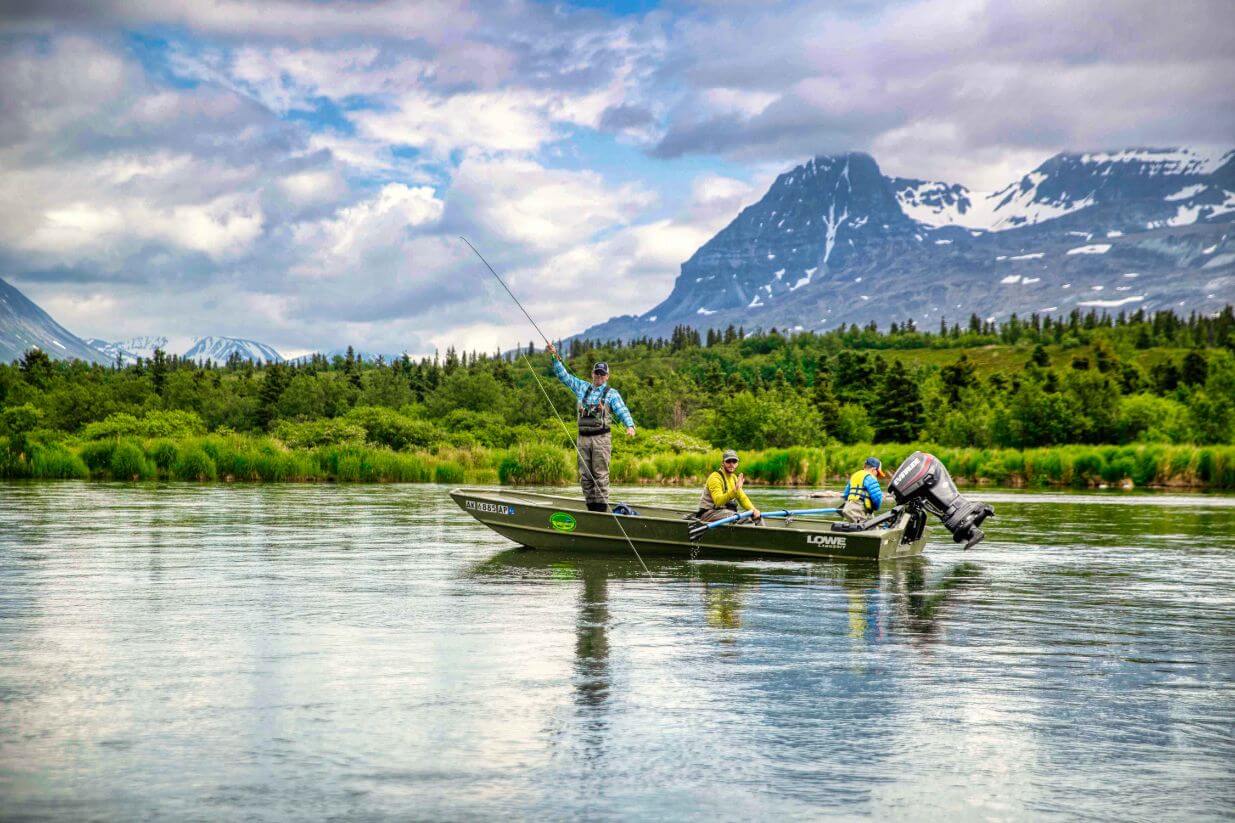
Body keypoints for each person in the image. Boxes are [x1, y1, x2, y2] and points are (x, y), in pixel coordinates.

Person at [546, 342, 636, 511]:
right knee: (586, 476)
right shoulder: (581, 386)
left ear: (607, 376)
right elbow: (563, 375)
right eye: (597, 373)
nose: (599, 376)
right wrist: (554, 355)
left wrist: (629, 426)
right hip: (583, 439)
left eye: (602, 374)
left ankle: (601, 511)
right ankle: (591, 509)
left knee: (600, 475)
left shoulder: (612, 393)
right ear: (592, 373)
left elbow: (622, 410)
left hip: (601, 439)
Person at [696, 449, 762, 523]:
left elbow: (743, 498)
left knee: (758, 518)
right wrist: (734, 490)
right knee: (742, 518)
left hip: (726, 513)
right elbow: (718, 502)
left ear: (737, 464)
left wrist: (753, 510)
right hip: (709, 513)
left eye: (734, 461)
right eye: (728, 461)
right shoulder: (715, 478)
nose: (731, 464)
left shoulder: (734, 478)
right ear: (722, 463)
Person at [840, 457, 887, 522]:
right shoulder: (871, 478)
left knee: (852, 526)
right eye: (878, 473)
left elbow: (845, 495)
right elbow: (877, 498)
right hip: (858, 511)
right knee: (866, 527)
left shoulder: (855, 475)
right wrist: (876, 507)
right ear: (873, 469)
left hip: (847, 509)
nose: (877, 476)